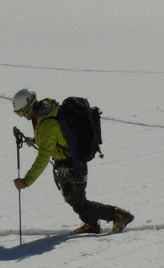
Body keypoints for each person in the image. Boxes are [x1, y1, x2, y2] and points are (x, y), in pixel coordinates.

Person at [12, 88, 134, 235]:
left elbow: (43, 156)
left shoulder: (46, 124)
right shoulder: (47, 109)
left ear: (29, 108)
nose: (27, 117)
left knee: (78, 203)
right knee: (73, 199)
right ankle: (91, 224)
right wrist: (36, 140)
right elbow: (57, 133)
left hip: (71, 162)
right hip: (66, 160)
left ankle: (119, 215)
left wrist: (26, 181)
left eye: (25, 114)